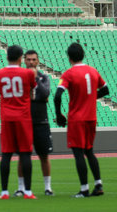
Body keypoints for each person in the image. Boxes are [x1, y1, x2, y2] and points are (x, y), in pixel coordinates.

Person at [54, 43, 109, 198]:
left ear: (69, 58)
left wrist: (59, 115)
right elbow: (106, 90)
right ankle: (98, 184)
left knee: (78, 153)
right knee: (89, 151)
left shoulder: (68, 74)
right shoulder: (93, 71)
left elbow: (58, 95)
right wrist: (91, 99)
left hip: (77, 119)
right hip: (91, 118)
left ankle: (84, 189)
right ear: (83, 55)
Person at [0, 45, 37, 199]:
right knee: (25, 154)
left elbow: (0, 91)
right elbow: (32, 90)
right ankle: (27, 191)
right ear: (21, 58)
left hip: (6, 117)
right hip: (23, 116)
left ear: (7, 57)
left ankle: (5, 191)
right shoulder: (27, 73)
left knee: (6, 154)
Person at [14, 50, 54, 197]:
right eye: (28, 60)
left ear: (37, 61)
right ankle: (20, 187)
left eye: (33, 60)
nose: (31, 62)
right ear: (24, 61)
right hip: (24, 122)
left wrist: (34, 79)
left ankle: (48, 187)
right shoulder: (19, 77)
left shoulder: (44, 77)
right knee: (22, 156)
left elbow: (45, 93)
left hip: (41, 122)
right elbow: (19, 96)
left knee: (44, 156)